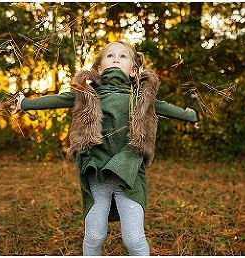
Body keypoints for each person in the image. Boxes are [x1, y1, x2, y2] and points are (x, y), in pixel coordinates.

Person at [15, 41, 199, 255]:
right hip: (97, 173)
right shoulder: (87, 94)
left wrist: (190, 115)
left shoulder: (140, 97)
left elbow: (165, 108)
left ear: (133, 70)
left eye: (122, 56)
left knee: (134, 239)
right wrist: (25, 103)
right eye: (110, 55)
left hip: (129, 176)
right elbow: (58, 99)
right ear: (100, 68)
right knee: (94, 236)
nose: (116, 59)